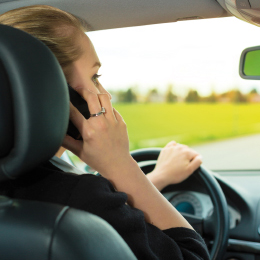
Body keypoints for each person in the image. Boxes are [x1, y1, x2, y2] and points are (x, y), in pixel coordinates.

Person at [0, 5, 209, 260]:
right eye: (95, 76)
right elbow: (193, 254)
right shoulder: (77, 196)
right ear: (52, 90)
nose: (105, 94)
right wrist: (120, 164)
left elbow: (110, 209)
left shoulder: (27, 183)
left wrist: (158, 176)